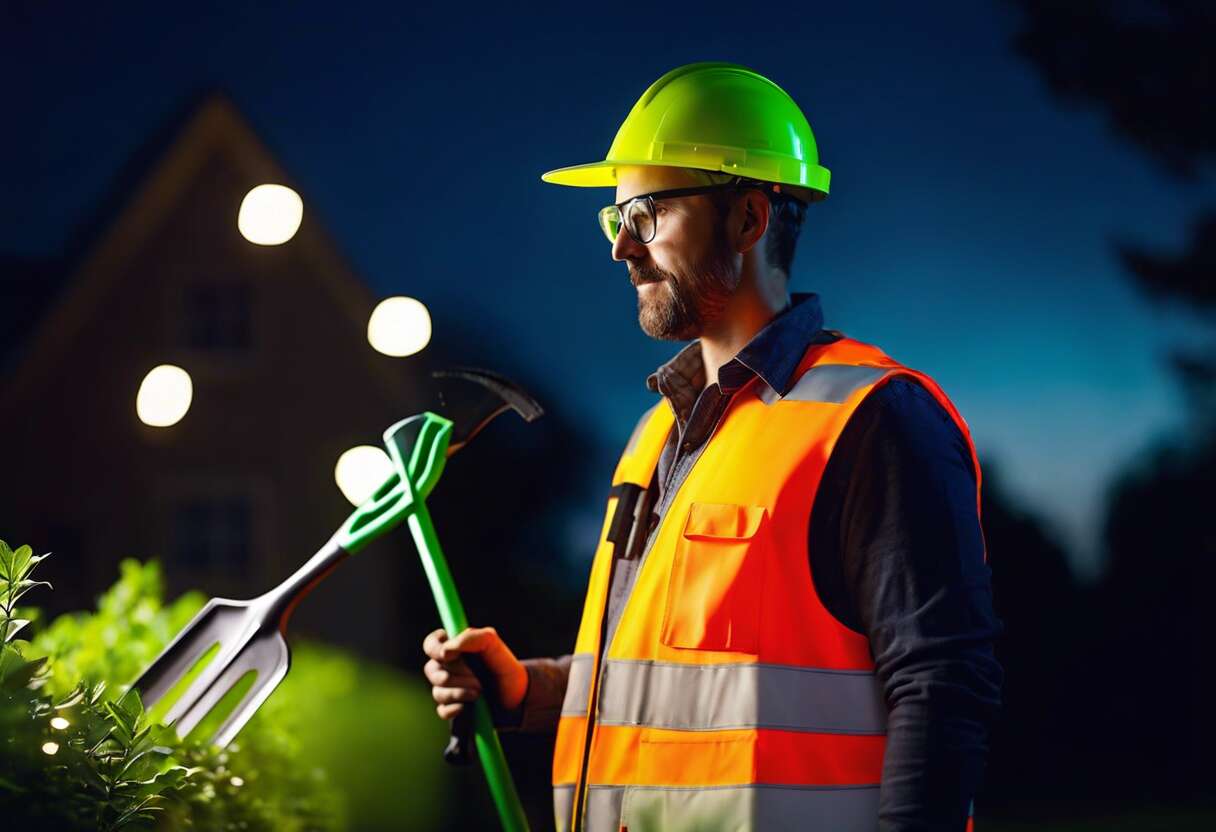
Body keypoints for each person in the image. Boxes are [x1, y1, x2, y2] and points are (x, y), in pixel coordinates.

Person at [423, 61, 1003, 832]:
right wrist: (528, 690)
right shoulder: (656, 434)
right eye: (614, 218)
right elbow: (669, 688)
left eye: (649, 213)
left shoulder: (875, 419)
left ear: (749, 219)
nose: (621, 248)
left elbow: (941, 687)